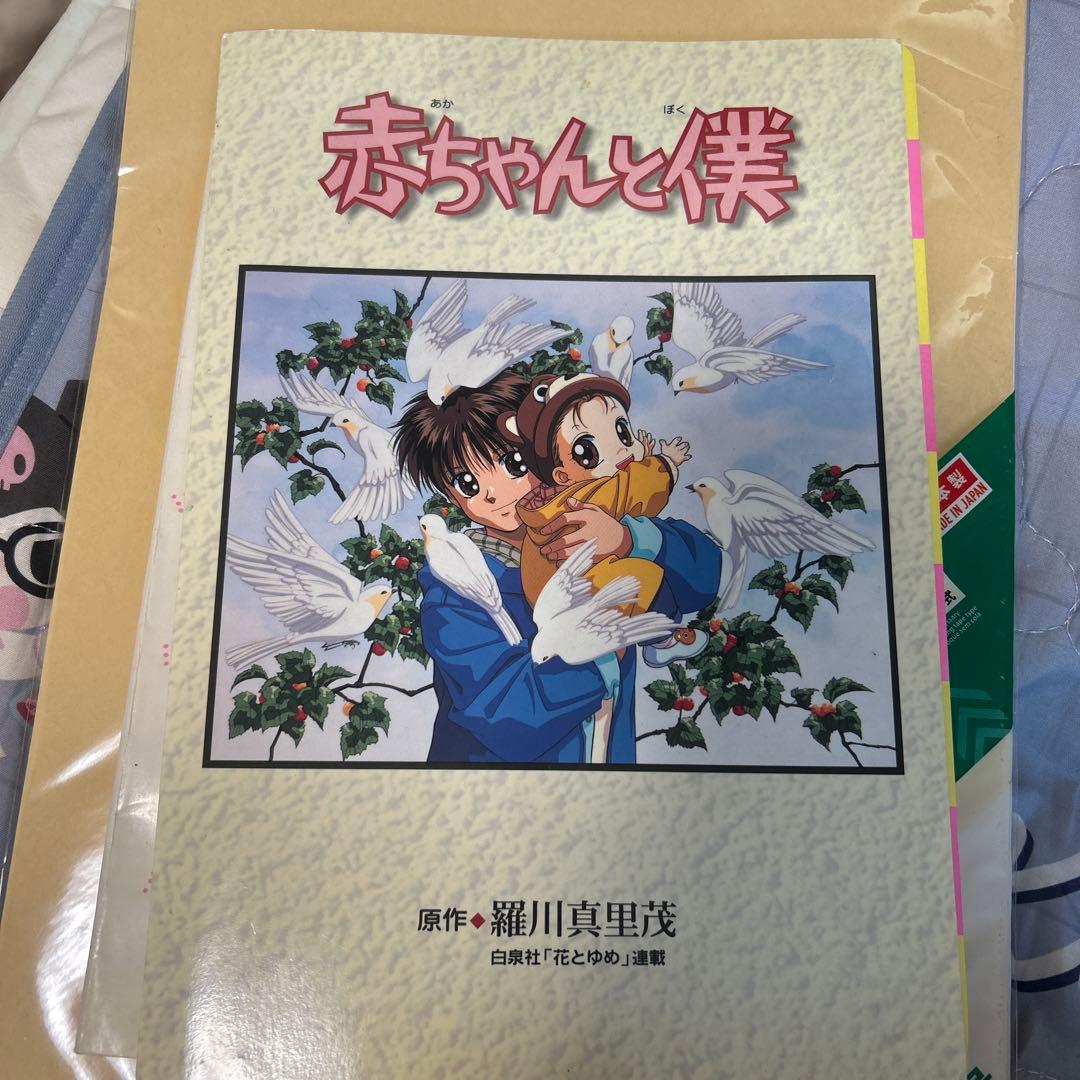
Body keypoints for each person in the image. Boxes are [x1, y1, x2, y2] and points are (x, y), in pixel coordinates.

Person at [393, 370, 721, 764]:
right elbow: (508, 716)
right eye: (468, 483)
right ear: (452, 496)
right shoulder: (455, 592)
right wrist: (607, 646)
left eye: (513, 462)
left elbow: (704, 577)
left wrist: (627, 539)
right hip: (494, 788)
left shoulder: (598, 524)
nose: (495, 492)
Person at [503, 371, 695, 762]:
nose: (619, 451)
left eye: (621, 432)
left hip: (567, 605)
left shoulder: (550, 506)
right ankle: (659, 640)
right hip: (588, 601)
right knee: (645, 575)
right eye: (587, 450)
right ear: (562, 475)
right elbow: (633, 490)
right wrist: (665, 464)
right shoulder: (586, 499)